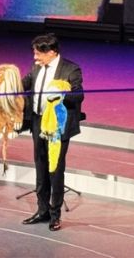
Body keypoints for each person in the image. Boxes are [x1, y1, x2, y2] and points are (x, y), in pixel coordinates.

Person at [20, 32, 84, 231]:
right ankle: (42, 211)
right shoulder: (36, 68)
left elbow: (78, 95)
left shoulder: (70, 69)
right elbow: (23, 85)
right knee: (40, 167)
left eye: (38, 53)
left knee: (55, 170)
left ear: (52, 52)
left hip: (57, 126)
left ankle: (55, 215)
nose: (35, 57)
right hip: (38, 122)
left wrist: (62, 92)